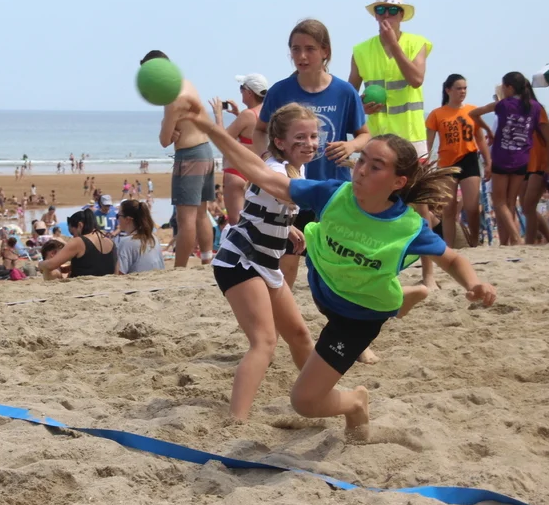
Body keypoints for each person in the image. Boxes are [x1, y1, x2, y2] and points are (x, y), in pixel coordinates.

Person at [183, 106, 496, 438]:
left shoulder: (407, 227)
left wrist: (474, 283)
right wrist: (211, 129)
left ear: (398, 182)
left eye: (375, 167)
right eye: (361, 161)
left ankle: (356, 400)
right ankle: (400, 299)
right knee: (300, 335)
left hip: (356, 316)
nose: (361, 171)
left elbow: (452, 259)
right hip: (327, 289)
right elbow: (261, 174)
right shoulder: (332, 194)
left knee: (304, 401)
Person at [212, 104, 318, 421]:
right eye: (301, 137)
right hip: (240, 260)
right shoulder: (276, 170)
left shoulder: (296, 168)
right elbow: (284, 193)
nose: (310, 143)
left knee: (299, 335)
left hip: (265, 262)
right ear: (280, 141)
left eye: (314, 136)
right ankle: (237, 420)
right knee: (265, 342)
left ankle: (318, 396)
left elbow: (262, 209)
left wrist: (288, 227)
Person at [257, 19, 370, 292]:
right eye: (295, 49)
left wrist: (351, 147)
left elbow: (365, 135)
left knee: (333, 260)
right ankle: (281, 310)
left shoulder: (344, 92)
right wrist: (269, 159)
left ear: (325, 51)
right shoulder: (280, 91)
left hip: (333, 188)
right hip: (293, 190)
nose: (302, 56)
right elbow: (260, 130)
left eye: (310, 49)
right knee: (287, 260)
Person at [350, 0, 439, 286]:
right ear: (375, 14)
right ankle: (376, 270)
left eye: (392, 10)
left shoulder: (417, 43)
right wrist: (362, 105)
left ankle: (428, 274)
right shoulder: (361, 51)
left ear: (402, 15)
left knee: (420, 205)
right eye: (380, 10)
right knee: (371, 203)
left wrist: (394, 46)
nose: (386, 15)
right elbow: (351, 96)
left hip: (411, 136)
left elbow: (416, 79)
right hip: (377, 138)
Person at [143, 49, 215, 267]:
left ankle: (180, 268)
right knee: (201, 213)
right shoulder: (187, 84)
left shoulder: (172, 97)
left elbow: (164, 140)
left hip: (190, 155)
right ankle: (206, 260)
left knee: (186, 218)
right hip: (206, 150)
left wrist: (166, 127)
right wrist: (171, 127)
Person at [469, 72, 549, 246]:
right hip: (522, 159)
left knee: (499, 202)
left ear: (509, 87)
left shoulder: (503, 104)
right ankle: (506, 243)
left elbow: (474, 113)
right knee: (510, 203)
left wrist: (489, 131)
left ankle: (515, 237)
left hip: (502, 157)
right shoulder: (535, 107)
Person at [425, 74, 489, 247]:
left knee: (472, 207)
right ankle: (449, 246)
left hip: (469, 159)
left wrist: (488, 162)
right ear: (448, 90)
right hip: (446, 163)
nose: (463, 91)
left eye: (465, 88)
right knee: (448, 209)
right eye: (459, 88)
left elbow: (480, 139)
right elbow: (428, 142)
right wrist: (425, 163)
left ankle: (474, 242)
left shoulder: (472, 111)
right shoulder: (437, 114)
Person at [209, 73, 268, 227]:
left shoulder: (247, 115)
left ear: (249, 92)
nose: (240, 91)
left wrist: (218, 115)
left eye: (242, 88)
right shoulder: (267, 113)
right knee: (254, 222)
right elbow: (253, 133)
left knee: (236, 223)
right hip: (257, 172)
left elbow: (222, 140)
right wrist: (238, 114)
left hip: (237, 171)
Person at [519, 85, 549, 245]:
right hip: (525, 163)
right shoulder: (516, 111)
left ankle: (530, 242)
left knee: (529, 206)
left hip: (539, 163)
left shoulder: (536, 109)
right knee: (525, 207)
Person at [39, 209, 116, 280]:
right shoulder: (111, 242)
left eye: (73, 233)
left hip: (83, 286)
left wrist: (40, 264)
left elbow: (50, 265)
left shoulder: (79, 241)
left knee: (47, 270)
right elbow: (98, 264)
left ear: (80, 225)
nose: (73, 237)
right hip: (106, 282)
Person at [115, 199, 165, 274]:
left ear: (128, 219)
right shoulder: (153, 238)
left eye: (118, 216)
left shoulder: (126, 243)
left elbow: (119, 274)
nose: (117, 219)